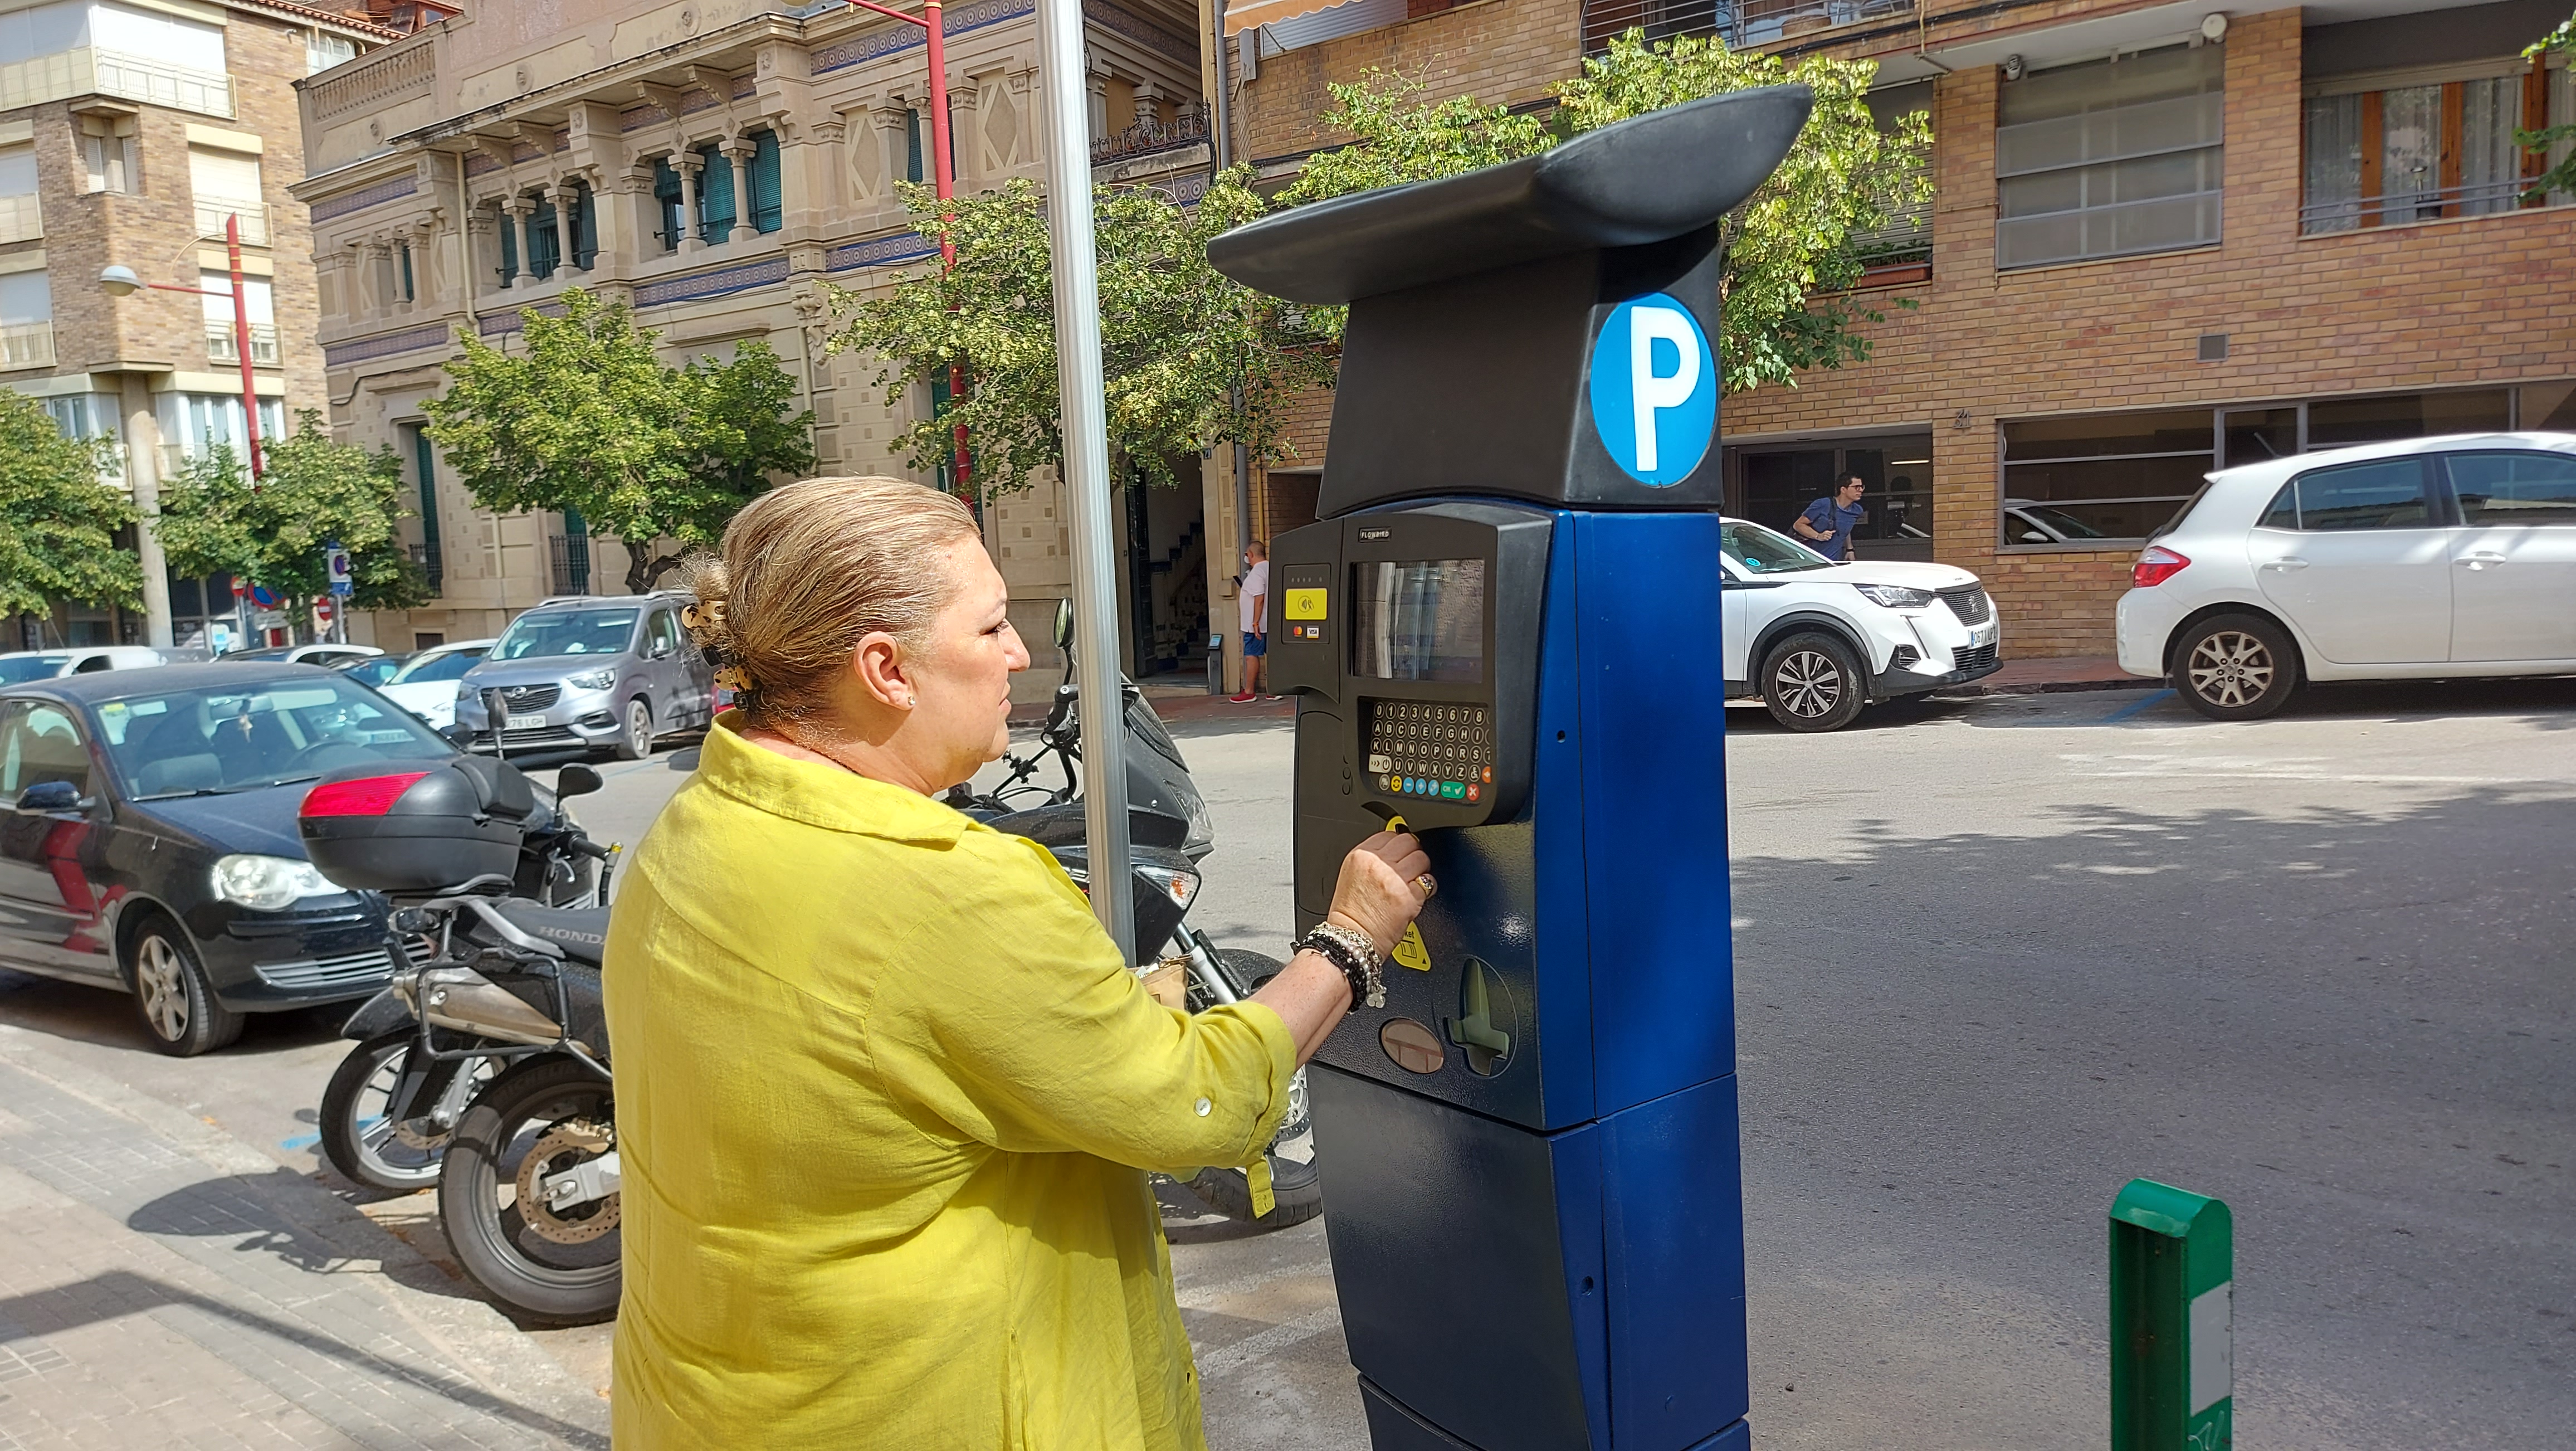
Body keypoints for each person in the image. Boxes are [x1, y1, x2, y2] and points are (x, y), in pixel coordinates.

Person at [604, 476, 1432, 1450]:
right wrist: (1347, 938)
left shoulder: (692, 831)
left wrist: (1091, 1009)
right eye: (991, 626)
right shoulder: (945, 887)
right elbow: (1191, 1103)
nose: (1018, 653)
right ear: (885, 668)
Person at [1230, 539, 1270, 703]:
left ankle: (1249, 691)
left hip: (1255, 625)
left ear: (1251, 554)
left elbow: (1259, 598)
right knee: (1272, 655)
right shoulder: (1270, 568)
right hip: (1269, 622)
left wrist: (1255, 623)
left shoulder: (1257, 573)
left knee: (1251, 655)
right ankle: (1274, 690)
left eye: (1247, 554)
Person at [1794, 475, 1868, 562]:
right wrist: (1818, 536)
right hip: (1810, 559)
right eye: (1856, 487)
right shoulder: (1823, 504)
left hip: (1833, 560)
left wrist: (1850, 549)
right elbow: (1798, 525)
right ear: (1843, 489)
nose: (1861, 490)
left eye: (1862, 487)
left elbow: (1846, 529)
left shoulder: (1857, 510)